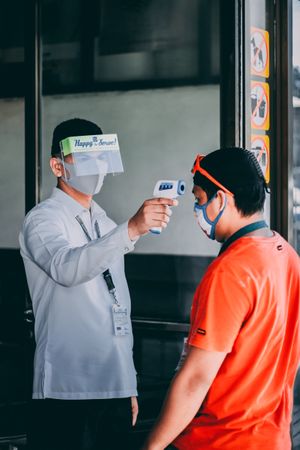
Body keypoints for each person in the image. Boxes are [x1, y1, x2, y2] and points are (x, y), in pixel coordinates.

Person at [19, 118, 177, 450]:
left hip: (114, 389)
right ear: (57, 166)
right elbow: (65, 268)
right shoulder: (43, 219)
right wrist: (131, 229)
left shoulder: (104, 223)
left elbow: (118, 305)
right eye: (86, 158)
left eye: (102, 157)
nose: (97, 167)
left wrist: (128, 381)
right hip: (65, 389)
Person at [143, 147, 300, 450]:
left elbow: (196, 379)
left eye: (200, 199)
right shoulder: (287, 255)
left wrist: (152, 447)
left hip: (220, 440)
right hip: (273, 439)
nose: (197, 210)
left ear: (222, 199)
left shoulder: (231, 270)